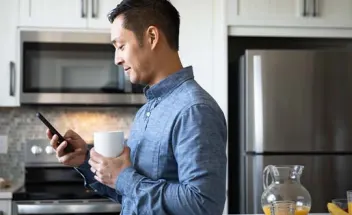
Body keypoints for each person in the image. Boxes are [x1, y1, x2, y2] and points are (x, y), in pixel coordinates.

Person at [45, 0, 227, 214]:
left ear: (152, 37)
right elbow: (132, 196)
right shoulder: (146, 112)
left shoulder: (194, 110)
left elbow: (203, 204)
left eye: (121, 46)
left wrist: (124, 178)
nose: (116, 59)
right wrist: (85, 160)